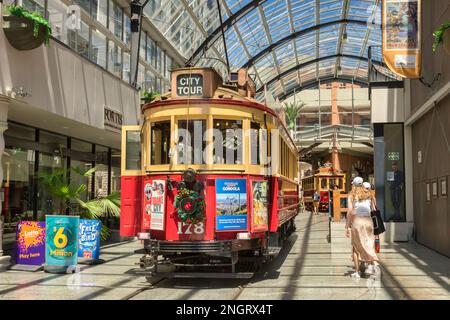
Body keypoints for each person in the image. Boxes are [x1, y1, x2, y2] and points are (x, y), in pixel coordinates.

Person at [345, 177, 380, 278]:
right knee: (369, 243)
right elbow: (373, 209)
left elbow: (350, 211)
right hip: (369, 221)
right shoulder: (369, 194)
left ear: (353, 184)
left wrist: (347, 226)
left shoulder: (351, 195)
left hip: (358, 221)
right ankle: (374, 263)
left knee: (356, 247)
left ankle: (357, 272)